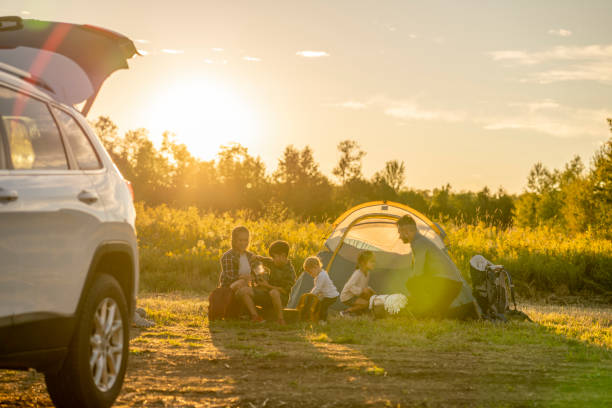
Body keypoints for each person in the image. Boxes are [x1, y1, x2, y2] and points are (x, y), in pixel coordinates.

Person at [396, 215, 474, 317]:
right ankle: (428, 311)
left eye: (400, 232)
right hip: (451, 284)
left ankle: (421, 309)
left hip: (448, 284)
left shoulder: (419, 243)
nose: (399, 236)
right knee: (437, 314)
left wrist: (408, 297)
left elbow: (418, 272)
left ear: (406, 231)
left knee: (412, 282)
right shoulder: (420, 241)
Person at [219, 226, 264, 322]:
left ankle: (254, 315)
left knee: (253, 286)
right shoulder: (227, 256)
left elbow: (261, 273)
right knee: (242, 283)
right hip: (230, 289)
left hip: (247, 287)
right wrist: (245, 278)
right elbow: (230, 277)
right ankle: (251, 314)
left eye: (246, 240)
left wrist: (257, 276)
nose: (244, 243)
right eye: (240, 240)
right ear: (234, 240)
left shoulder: (251, 256)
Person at [257, 240, 296, 325]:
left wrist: (267, 285)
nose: (273, 259)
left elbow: (284, 291)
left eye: (275, 257)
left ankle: (280, 319)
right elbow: (265, 260)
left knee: (274, 292)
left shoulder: (289, 271)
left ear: (283, 256)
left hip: (282, 298)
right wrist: (256, 257)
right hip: (269, 293)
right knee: (254, 289)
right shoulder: (274, 263)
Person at [340, 250, 376, 315]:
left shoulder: (367, 273)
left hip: (355, 294)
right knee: (366, 303)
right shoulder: (357, 273)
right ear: (363, 263)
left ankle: (360, 311)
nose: (374, 263)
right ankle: (345, 312)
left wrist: (368, 289)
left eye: (374, 261)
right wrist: (362, 290)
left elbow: (362, 285)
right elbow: (349, 286)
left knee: (371, 296)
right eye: (371, 261)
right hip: (347, 297)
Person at [304, 256, 339, 323]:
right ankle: (316, 318)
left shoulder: (322, 275)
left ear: (316, 267)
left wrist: (310, 295)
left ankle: (323, 321)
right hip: (327, 295)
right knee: (319, 305)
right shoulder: (319, 275)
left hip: (331, 296)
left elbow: (317, 288)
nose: (311, 275)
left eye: (311, 272)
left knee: (323, 307)